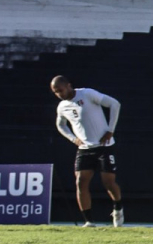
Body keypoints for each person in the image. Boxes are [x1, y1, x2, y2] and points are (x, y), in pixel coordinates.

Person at [51, 75, 124, 228]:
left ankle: (117, 208)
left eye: (61, 90)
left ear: (69, 86)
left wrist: (110, 130)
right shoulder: (62, 106)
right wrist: (73, 139)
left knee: (108, 182)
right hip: (85, 148)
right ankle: (88, 221)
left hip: (104, 145)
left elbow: (114, 104)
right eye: (55, 92)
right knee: (80, 182)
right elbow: (61, 125)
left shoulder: (87, 94)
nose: (59, 94)